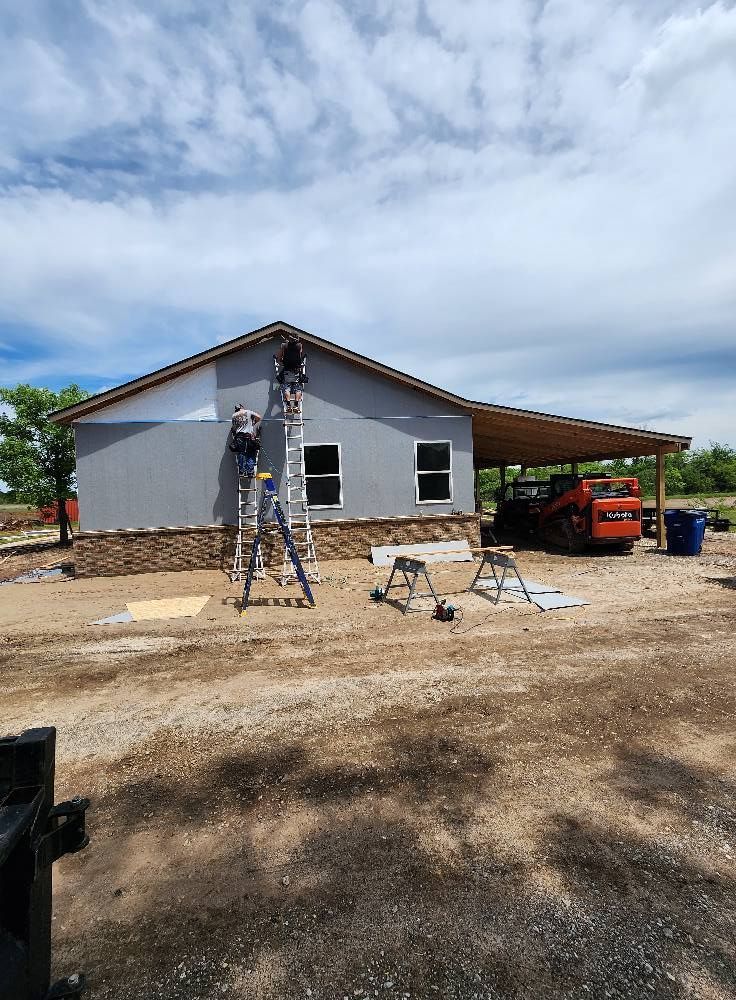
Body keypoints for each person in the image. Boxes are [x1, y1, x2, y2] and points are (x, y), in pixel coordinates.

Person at [275, 332, 306, 414]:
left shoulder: (284, 345)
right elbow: (299, 355)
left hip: (287, 370)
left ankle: (288, 406)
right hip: (296, 370)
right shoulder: (299, 346)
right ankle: (296, 406)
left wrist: (280, 361)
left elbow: (279, 357)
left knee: (286, 388)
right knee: (298, 388)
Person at [229, 403, 262, 476]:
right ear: (242, 407)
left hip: (239, 437)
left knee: (241, 453)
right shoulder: (247, 412)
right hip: (248, 436)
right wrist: (253, 424)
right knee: (251, 453)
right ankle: (250, 471)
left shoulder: (233, 416)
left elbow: (234, 428)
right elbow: (259, 417)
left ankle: (241, 471)